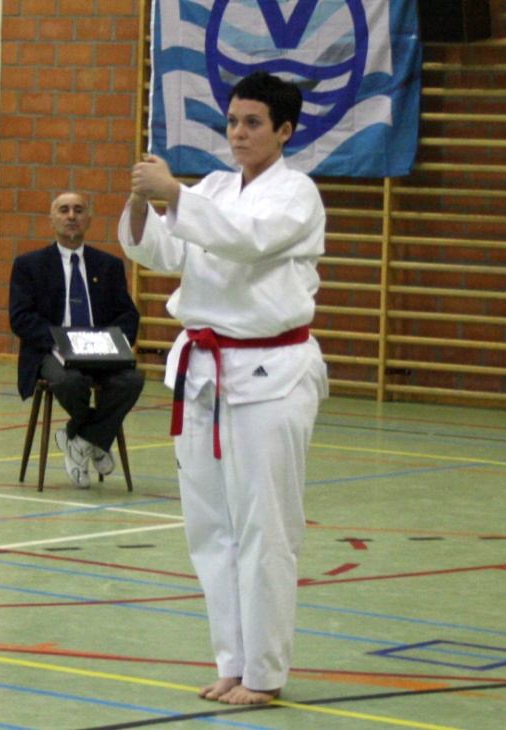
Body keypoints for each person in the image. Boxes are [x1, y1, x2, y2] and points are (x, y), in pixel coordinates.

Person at [118, 71, 328, 704]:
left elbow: (245, 241)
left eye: (253, 123)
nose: (238, 132)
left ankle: (265, 673)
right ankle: (232, 662)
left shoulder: (297, 195)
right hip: (204, 373)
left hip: (272, 375)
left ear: (284, 131)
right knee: (211, 528)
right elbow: (164, 254)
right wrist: (142, 202)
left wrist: (175, 195)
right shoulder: (212, 188)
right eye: (233, 121)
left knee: (266, 526)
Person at [10, 192, 144, 489]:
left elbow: (128, 314)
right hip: (53, 350)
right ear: (51, 220)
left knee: (132, 380)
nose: (71, 216)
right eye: (64, 210)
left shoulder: (108, 265)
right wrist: (60, 340)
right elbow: (21, 318)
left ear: (89, 220)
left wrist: (114, 342)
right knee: (70, 382)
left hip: (99, 350)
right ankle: (95, 438)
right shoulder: (29, 265)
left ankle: (79, 438)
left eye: (78, 210)